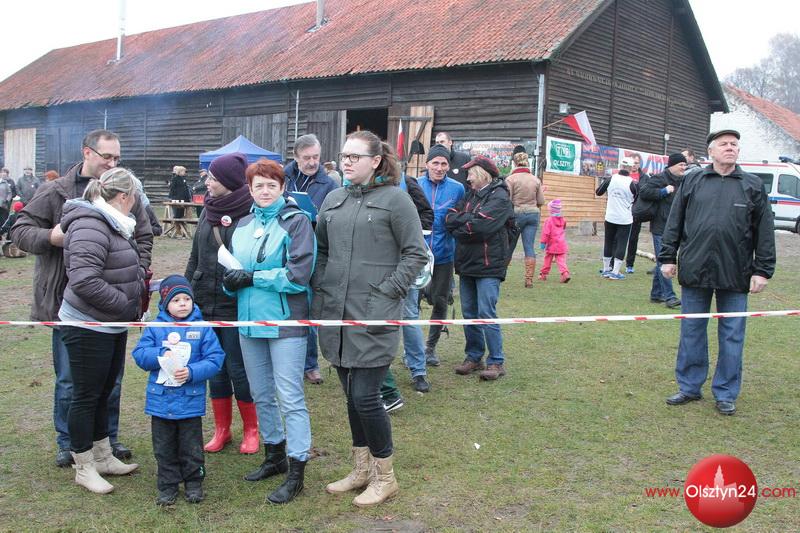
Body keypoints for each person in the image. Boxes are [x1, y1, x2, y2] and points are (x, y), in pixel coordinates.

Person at [10, 129, 152, 467]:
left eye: (117, 157)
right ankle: (69, 443)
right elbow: (19, 230)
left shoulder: (127, 189)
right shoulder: (55, 191)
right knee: (71, 380)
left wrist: (137, 270)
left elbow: (146, 233)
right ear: (87, 153)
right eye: (107, 157)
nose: (113, 163)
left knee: (110, 380)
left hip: (111, 304)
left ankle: (106, 441)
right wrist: (52, 237)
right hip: (68, 303)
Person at [315, 130, 427, 507]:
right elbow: (322, 251)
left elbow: (415, 253)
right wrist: (323, 285)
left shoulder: (396, 200)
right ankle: (361, 469)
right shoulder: (333, 199)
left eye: (355, 156)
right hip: (336, 313)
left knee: (365, 397)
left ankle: (385, 477)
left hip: (375, 313)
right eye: (344, 156)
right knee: (351, 396)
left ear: (375, 161)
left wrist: (388, 291)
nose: (346, 162)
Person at [660, 129, 775, 416]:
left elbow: (764, 231)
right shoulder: (693, 180)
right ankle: (689, 386)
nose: (730, 148)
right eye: (723, 144)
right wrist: (668, 257)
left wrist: (762, 270)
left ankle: (725, 392)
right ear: (710, 151)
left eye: (734, 144)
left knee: (732, 335)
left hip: (736, 272)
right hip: (695, 268)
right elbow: (675, 220)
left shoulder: (752, 185)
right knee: (692, 331)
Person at [224, 158, 316, 504]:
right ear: (249, 189)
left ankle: (297, 469)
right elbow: (233, 272)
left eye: (271, 185)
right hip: (248, 322)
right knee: (260, 393)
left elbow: (298, 276)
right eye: (258, 185)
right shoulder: (243, 224)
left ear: (282, 187)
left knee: (290, 396)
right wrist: (232, 283)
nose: (264, 191)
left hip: (286, 321)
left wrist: (252, 278)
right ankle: (275, 455)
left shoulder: (297, 222)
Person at [57, 167, 144, 493]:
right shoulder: (90, 224)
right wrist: (124, 305)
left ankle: (103, 455)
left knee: (104, 391)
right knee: (86, 395)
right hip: (88, 324)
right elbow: (84, 280)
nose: (137, 202)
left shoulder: (114, 222)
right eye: (135, 196)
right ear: (124, 196)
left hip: (110, 324)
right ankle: (84, 465)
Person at [185, 152, 260, 455]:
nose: (207, 182)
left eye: (213, 178)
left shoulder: (250, 213)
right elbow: (194, 256)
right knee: (214, 368)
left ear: (228, 181)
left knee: (238, 369)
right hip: (204, 301)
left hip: (235, 303)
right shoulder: (208, 210)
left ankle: (252, 430)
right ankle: (222, 430)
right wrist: (186, 291)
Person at [132, 275, 225, 506]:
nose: (182, 303)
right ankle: (167, 485)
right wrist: (159, 355)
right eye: (176, 300)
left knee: (191, 447)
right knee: (163, 448)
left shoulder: (202, 329)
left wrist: (192, 372)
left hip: (189, 402)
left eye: (186, 299)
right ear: (165, 304)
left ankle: (194, 482)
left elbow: (215, 358)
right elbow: (140, 354)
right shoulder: (155, 328)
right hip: (160, 402)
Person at [445, 156, 514, 381]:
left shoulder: (500, 197)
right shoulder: (470, 195)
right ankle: (474, 357)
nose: (468, 178)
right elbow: (449, 218)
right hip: (466, 264)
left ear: (482, 174)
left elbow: (483, 226)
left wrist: (462, 225)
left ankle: (496, 361)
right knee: (469, 313)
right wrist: (467, 222)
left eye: (471, 174)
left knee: (486, 313)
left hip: (489, 266)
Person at [283, 133, 339, 385]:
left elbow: (336, 216)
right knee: (287, 307)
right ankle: (287, 361)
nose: (312, 162)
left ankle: (310, 364)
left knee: (310, 308)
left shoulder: (329, 184)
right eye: (306, 158)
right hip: (285, 249)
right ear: (296, 157)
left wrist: (318, 217)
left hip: (315, 250)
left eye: (316, 156)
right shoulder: (283, 178)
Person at [381, 171, 434, 401]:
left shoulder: (407, 183)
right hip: (375, 263)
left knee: (409, 315)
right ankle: (377, 373)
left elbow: (427, 214)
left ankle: (418, 370)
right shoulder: (359, 186)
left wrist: (409, 230)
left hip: (406, 261)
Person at [417, 144, 465, 366]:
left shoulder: (457, 189)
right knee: (412, 303)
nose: (439, 167)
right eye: (435, 162)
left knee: (440, 301)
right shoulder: (415, 184)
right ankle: (413, 348)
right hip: (417, 254)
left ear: (448, 165)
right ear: (427, 164)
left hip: (444, 254)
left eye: (443, 163)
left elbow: (460, 218)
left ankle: (430, 347)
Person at [639, 153, 686, 308]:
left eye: (685, 165)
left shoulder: (683, 180)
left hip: (675, 228)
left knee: (662, 259)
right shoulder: (659, 178)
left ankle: (656, 294)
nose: (684, 167)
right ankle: (669, 296)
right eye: (681, 165)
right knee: (664, 260)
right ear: (672, 165)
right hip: (660, 226)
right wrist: (663, 191)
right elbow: (644, 191)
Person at [505, 150, 545, 287]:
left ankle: (501, 274)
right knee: (529, 247)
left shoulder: (510, 179)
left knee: (510, 246)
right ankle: (529, 279)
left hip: (516, 214)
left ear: (515, 163)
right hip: (533, 214)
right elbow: (541, 201)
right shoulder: (535, 179)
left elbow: (507, 200)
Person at [596, 158, 637, 280]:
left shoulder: (611, 179)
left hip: (610, 216)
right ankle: (615, 271)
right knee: (621, 244)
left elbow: (598, 192)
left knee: (608, 242)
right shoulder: (633, 183)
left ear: (620, 166)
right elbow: (637, 198)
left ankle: (606, 269)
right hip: (625, 218)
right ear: (631, 168)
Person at [624, 153, 648, 274]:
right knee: (618, 238)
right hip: (622, 211)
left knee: (633, 239)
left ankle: (630, 264)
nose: (634, 165)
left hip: (636, 213)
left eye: (636, 163)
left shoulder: (645, 177)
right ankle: (612, 263)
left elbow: (646, 193)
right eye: (632, 163)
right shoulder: (622, 175)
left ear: (640, 164)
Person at [538, 199, 570, 283]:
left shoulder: (549, 221)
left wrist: (543, 243)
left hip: (551, 244)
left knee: (547, 259)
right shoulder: (563, 220)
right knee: (561, 260)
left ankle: (543, 274)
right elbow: (563, 228)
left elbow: (546, 233)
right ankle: (565, 273)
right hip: (561, 244)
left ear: (551, 210)